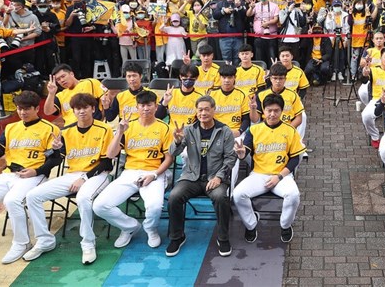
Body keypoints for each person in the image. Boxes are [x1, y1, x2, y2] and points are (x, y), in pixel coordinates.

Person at [0, 91, 61, 264]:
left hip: (33, 175)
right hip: (9, 173)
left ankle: (22, 243)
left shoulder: (50, 128)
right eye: (19, 109)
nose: (22, 112)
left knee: (12, 201)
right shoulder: (11, 128)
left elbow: (56, 158)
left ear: (36, 108)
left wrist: (37, 171)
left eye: (27, 109)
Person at [23, 93, 113, 265]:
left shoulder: (104, 129)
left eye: (85, 107)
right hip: (72, 175)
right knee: (32, 196)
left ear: (93, 109)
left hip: (97, 175)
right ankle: (45, 240)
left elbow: (107, 163)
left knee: (83, 198)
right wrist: (56, 149)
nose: (81, 112)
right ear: (73, 111)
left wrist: (85, 178)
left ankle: (88, 243)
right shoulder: (66, 131)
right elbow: (58, 158)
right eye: (77, 109)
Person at [93, 91, 173, 250]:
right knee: (99, 205)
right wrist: (120, 131)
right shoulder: (128, 127)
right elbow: (110, 154)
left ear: (156, 107)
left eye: (149, 105)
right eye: (142, 106)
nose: (146, 109)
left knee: (155, 206)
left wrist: (155, 174)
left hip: (154, 172)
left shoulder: (165, 128)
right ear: (136, 107)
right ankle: (129, 226)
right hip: (130, 172)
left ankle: (150, 229)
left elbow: (169, 158)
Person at [166, 95, 236, 257]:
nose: (203, 113)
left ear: (213, 110)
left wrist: (219, 177)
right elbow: (173, 153)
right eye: (200, 109)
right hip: (191, 178)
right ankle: (177, 237)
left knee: (221, 197)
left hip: (214, 179)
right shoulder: (189, 130)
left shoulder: (224, 131)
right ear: (196, 111)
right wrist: (176, 141)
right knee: (174, 197)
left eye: (206, 109)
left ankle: (223, 238)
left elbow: (230, 158)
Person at [233, 93, 305, 244]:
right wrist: (241, 154)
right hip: (258, 174)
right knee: (238, 194)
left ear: (281, 111)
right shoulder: (254, 130)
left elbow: (294, 160)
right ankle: (251, 224)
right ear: (263, 111)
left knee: (293, 195)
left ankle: (285, 225)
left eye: (276, 110)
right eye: (269, 110)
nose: (272, 114)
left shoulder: (290, 130)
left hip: (281, 176)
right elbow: (245, 150)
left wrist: (279, 177)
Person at [360, 47, 385, 148]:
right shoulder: (373, 70)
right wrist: (365, 73)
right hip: (377, 99)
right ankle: (375, 136)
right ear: (381, 58)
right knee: (366, 116)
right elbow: (364, 80)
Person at [205, 64, 250, 138]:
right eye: (224, 77)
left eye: (230, 77)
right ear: (220, 77)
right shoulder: (211, 94)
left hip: (236, 132)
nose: (226, 80)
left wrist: (239, 132)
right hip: (215, 131)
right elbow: (207, 116)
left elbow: (246, 118)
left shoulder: (243, 94)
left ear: (235, 77)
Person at [156, 63, 202, 128]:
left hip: (190, 132)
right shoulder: (170, 93)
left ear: (196, 78)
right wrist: (165, 102)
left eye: (191, 78)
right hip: (171, 132)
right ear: (180, 77)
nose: (188, 80)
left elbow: (201, 121)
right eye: (185, 78)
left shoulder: (200, 97)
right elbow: (157, 116)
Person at [212, 0, 247, 64]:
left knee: (237, 58)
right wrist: (223, 11)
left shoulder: (240, 2)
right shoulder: (220, 4)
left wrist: (239, 6)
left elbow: (245, 15)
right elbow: (215, 15)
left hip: (238, 36)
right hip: (224, 37)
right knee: (226, 59)